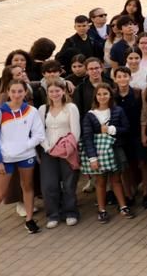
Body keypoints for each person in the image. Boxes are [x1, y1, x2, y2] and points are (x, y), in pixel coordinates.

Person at [0, 79, 46, 239]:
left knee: (28, 187)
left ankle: (30, 219)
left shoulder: (31, 111)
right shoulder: (0, 112)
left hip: (26, 156)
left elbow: (39, 135)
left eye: (20, 91)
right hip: (5, 158)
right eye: (13, 92)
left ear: (25, 92)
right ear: (8, 93)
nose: (17, 95)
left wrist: (26, 146)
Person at [81, 81, 132, 223]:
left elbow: (126, 128)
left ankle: (123, 206)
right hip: (98, 152)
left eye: (105, 94)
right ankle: (102, 210)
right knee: (100, 181)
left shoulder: (117, 110)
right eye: (99, 94)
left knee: (116, 179)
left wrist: (111, 130)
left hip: (114, 149)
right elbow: (87, 137)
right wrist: (92, 158)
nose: (102, 97)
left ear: (110, 95)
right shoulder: (90, 115)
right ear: (95, 96)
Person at [38, 79, 81, 228]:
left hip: (67, 151)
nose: (55, 94)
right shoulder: (43, 109)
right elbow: (40, 132)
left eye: (57, 91)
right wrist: (47, 147)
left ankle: (70, 212)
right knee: (49, 185)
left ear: (63, 91)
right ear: (48, 93)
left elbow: (75, 131)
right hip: (49, 151)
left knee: (69, 184)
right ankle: (53, 215)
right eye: (51, 91)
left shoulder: (71, 108)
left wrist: (68, 149)